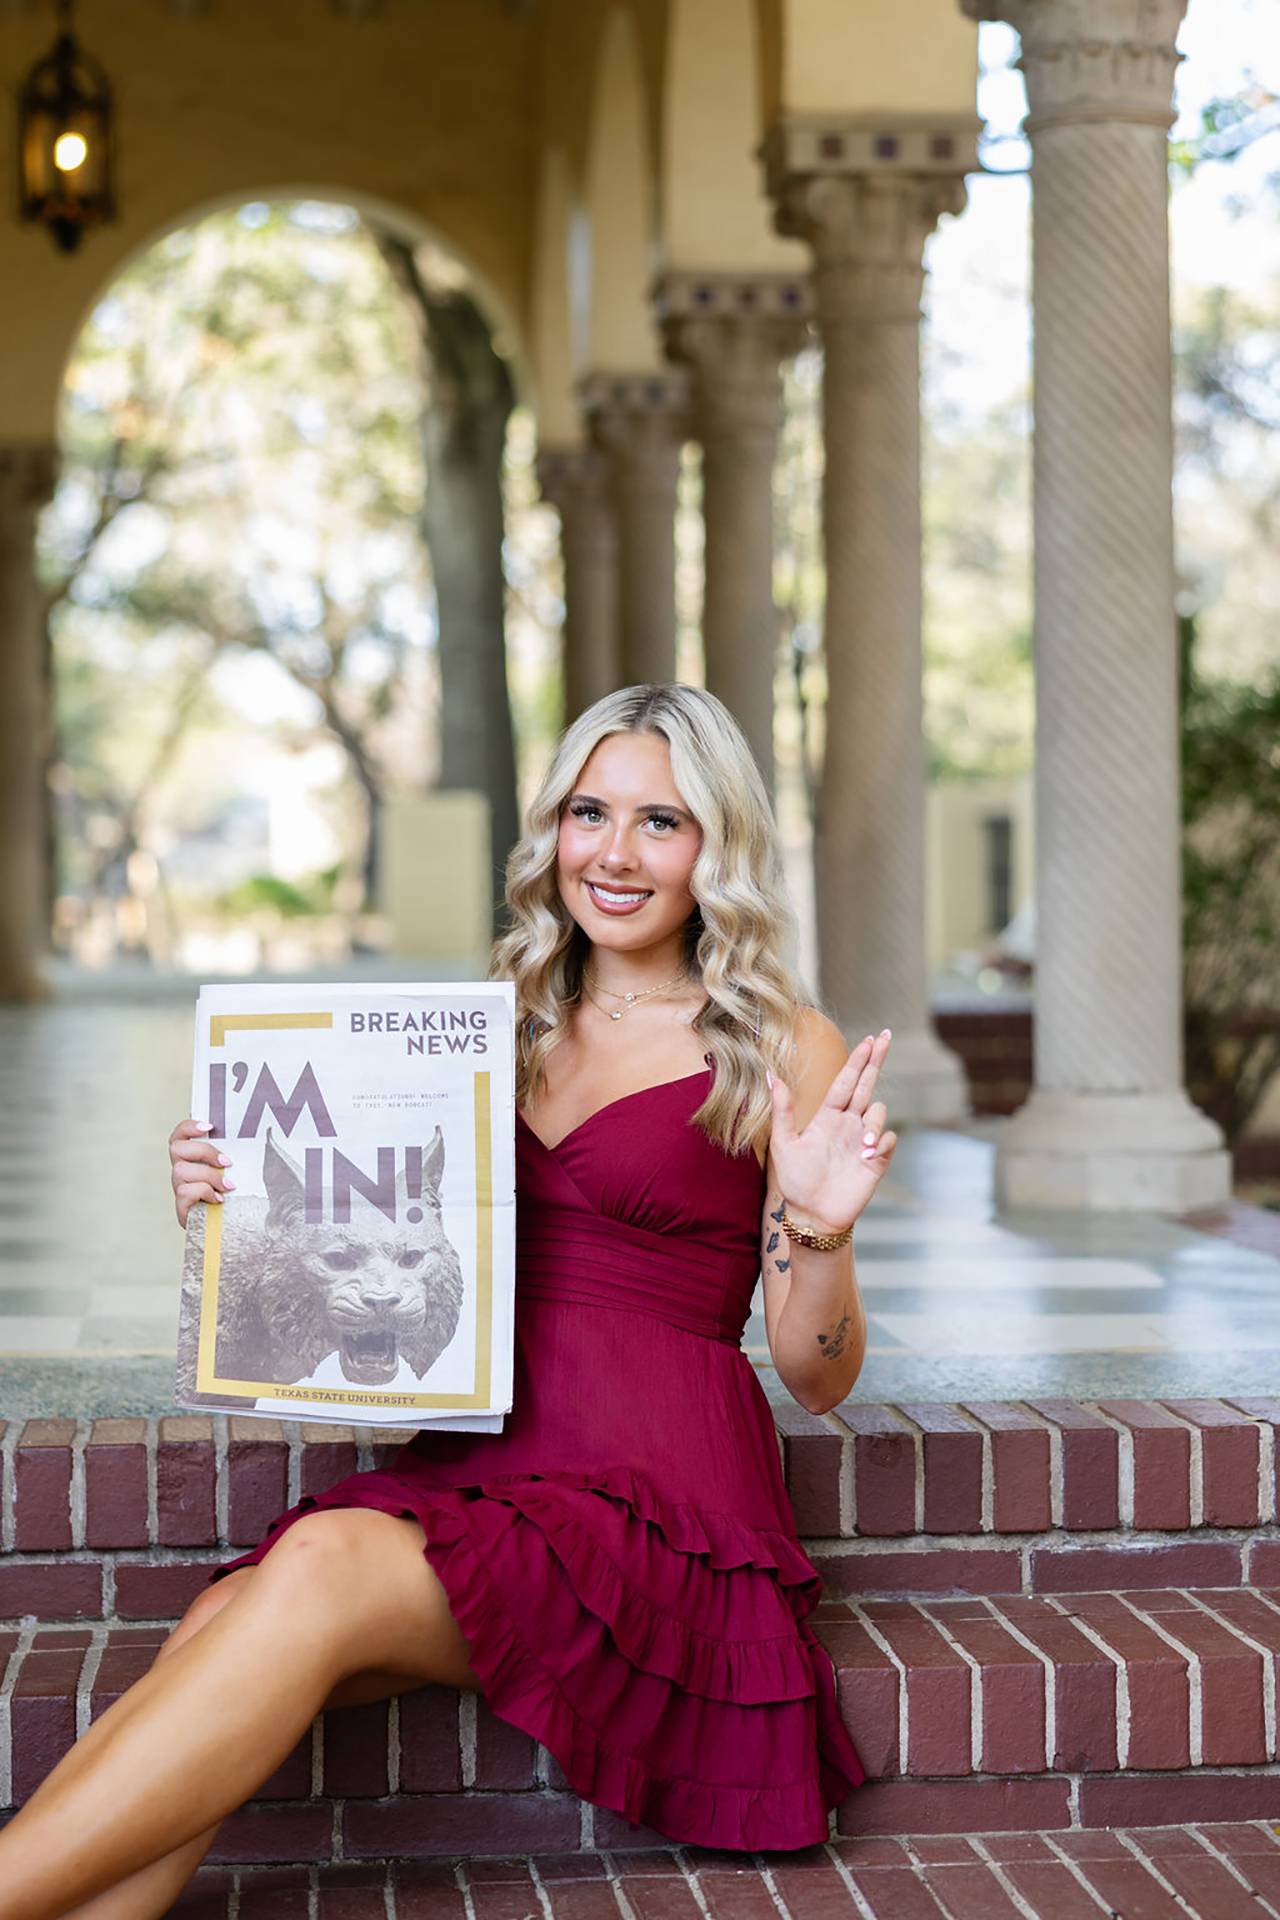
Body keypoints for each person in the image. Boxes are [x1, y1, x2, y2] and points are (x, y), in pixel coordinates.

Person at [0, 683, 897, 1918]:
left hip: (657, 1494)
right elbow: (376, 1239)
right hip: (488, 1462)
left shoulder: (777, 1040)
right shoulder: (497, 1021)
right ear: (553, 831)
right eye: (590, 813)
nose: (615, 854)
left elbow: (816, 1374)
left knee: (311, 1563)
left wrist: (820, 1223)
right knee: (224, 1609)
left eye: (661, 822)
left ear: (717, 847)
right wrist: (235, 1193)